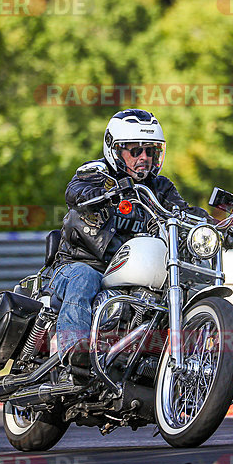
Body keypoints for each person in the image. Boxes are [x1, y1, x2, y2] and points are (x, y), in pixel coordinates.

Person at [50, 109, 208, 368]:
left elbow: (184, 211)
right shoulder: (96, 172)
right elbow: (76, 192)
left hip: (129, 269)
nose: (144, 158)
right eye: (135, 151)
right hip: (81, 265)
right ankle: (74, 353)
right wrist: (103, 194)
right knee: (84, 277)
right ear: (115, 149)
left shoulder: (160, 187)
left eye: (150, 151)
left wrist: (219, 225)